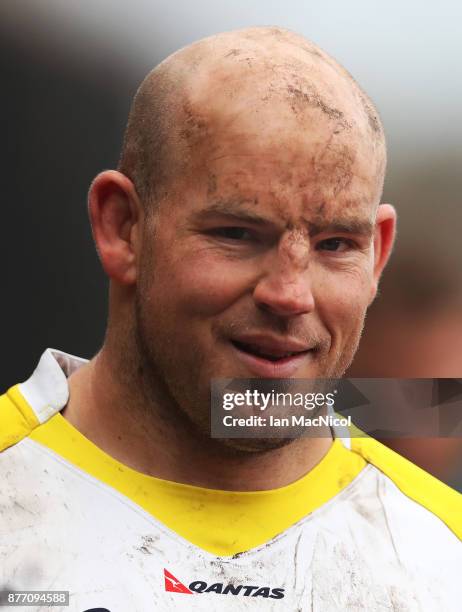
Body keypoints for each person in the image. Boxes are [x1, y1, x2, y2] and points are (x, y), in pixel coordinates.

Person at [0, 26, 460, 611]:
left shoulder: (443, 553)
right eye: (237, 234)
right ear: (123, 227)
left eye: (336, 244)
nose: (290, 294)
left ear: (378, 256)